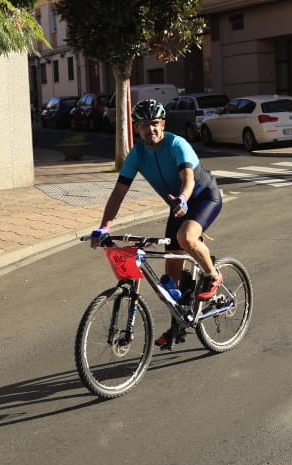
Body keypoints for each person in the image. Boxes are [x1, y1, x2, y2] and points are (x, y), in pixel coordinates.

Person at [93, 99, 224, 340]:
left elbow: (188, 178)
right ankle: (179, 325)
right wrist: (104, 227)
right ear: (136, 127)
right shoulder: (137, 154)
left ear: (162, 124)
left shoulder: (177, 144)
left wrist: (184, 199)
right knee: (169, 280)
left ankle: (213, 274)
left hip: (203, 198)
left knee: (186, 237)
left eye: (154, 123)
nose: (150, 129)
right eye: (144, 124)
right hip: (177, 207)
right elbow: (119, 192)